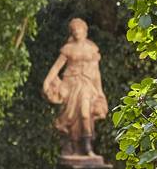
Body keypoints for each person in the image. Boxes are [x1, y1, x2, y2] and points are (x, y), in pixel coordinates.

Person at [42, 17, 109, 157]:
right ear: (72, 32)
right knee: (70, 117)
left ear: (85, 31)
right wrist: (47, 82)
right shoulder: (68, 49)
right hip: (70, 84)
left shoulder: (92, 49)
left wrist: (99, 91)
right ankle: (73, 147)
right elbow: (56, 68)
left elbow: (96, 73)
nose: (77, 32)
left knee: (85, 114)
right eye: (74, 30)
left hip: (86, 84)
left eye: (79, 29)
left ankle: (88, 146)